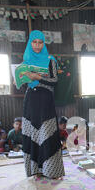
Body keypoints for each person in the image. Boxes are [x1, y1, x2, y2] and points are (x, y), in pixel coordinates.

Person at [21, 30, 65, 179]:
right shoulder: (26, 60)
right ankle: (35, 170)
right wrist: (19, 79)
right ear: (30, 43)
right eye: (34, 42)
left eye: (40, 42)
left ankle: (51, 171)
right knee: (32, 134)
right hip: (30, 102)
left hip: (45, 101)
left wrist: (38, 77)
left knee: (47, 134)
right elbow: (21, 84)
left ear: (43, 44)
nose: (37, 45)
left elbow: (55, 80)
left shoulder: (50, 59)